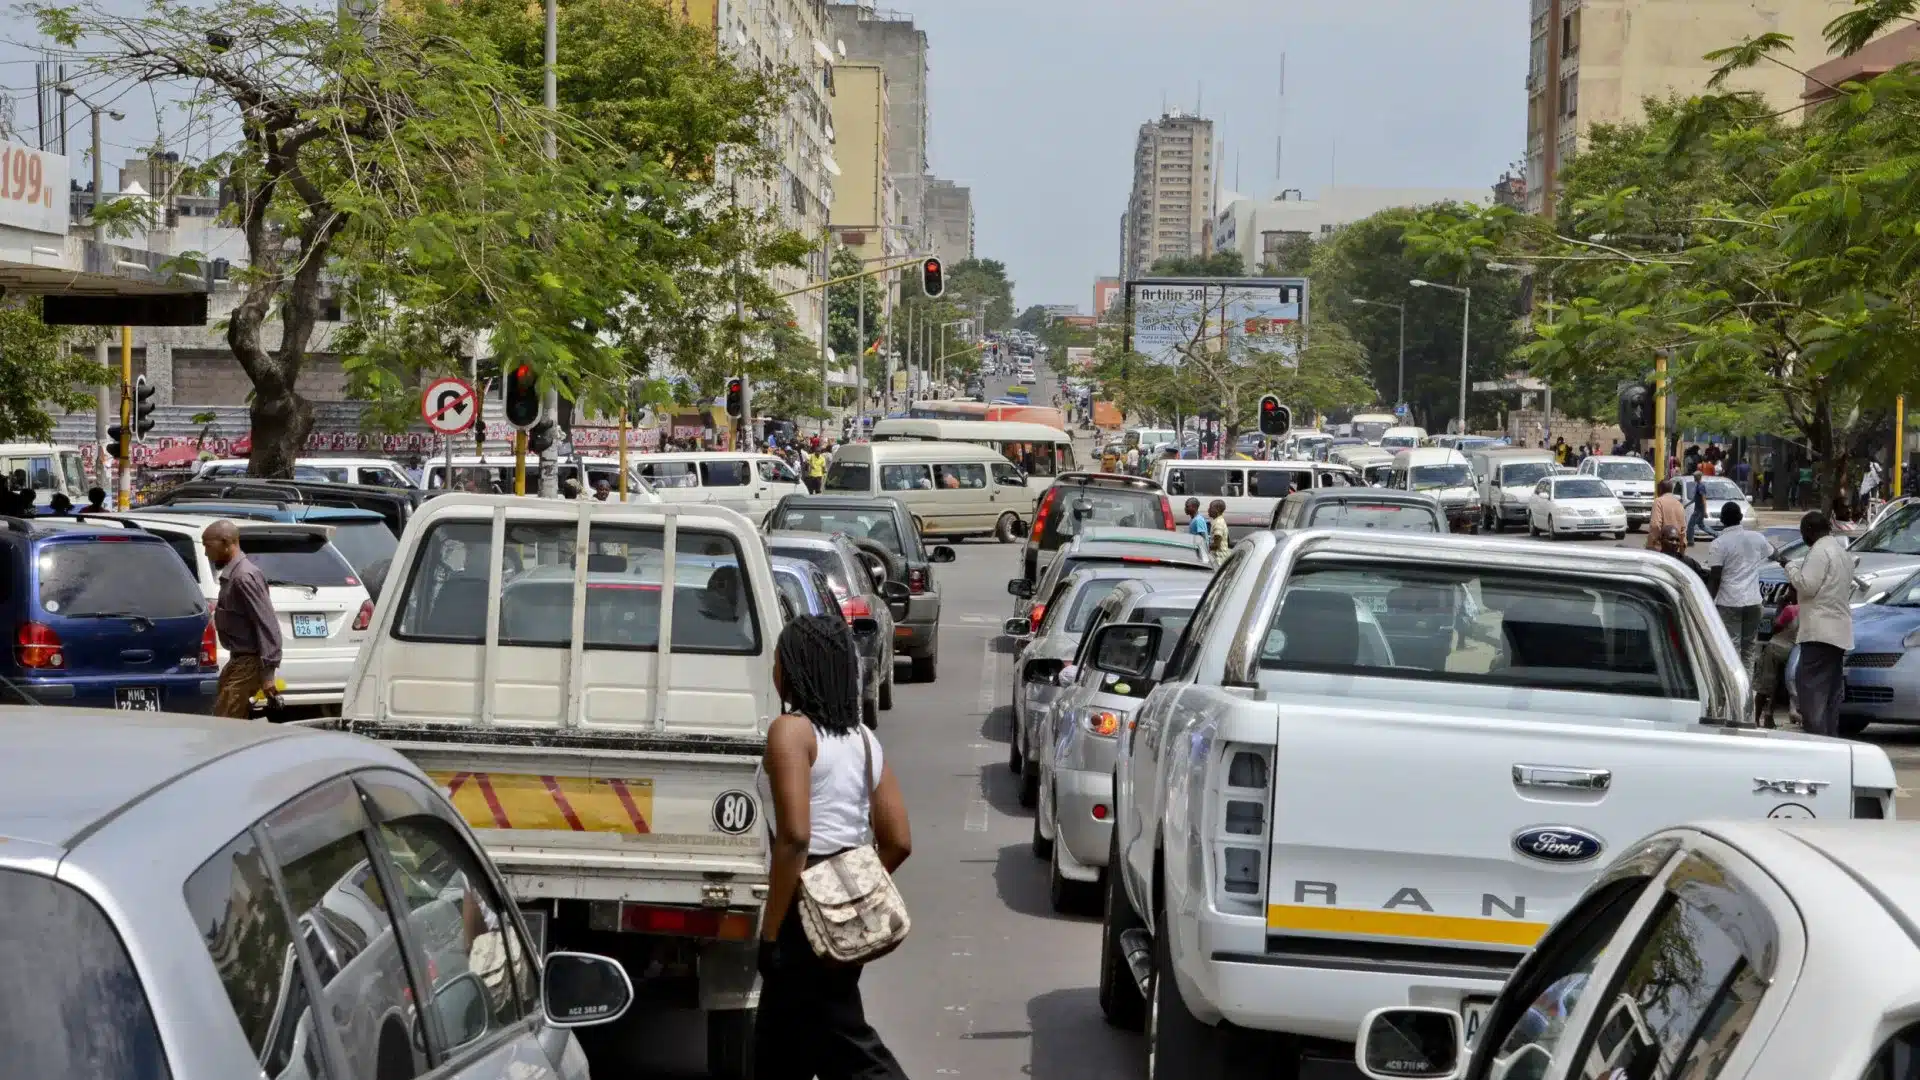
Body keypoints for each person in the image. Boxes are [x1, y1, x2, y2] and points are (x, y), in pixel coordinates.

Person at [756, 616, 911, 1079]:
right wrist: (852, 893)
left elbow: (795, 838)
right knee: (788, 1047)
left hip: (801, 908)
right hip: (840, 909)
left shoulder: (790, 732)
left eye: (780, 657)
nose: (775, 667)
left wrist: (771, 932)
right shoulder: (863, 740)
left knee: (844, 1045)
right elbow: (899, 841)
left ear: (796, 668)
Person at [202, 520, 282, 720]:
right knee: (228, 716)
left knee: (226, 723)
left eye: (208, 546)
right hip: (238, 660)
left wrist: (268, 675)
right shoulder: (234, 575)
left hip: (250, 662)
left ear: (227, 542)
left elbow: (266, 623)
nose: (206, 554)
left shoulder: (244, 577)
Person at [1784, 511, 1854, 737]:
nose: (1804, 538)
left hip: (1819, 633)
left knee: (1812, 692)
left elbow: (1806, 585)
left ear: (1811, 532)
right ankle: (1830, 741)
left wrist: (1790, 567)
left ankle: (1817, 743)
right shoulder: (1841, 553)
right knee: (1831, 695)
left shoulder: (1819, 551)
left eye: (1804, 533)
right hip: (1839, 633)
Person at [1702, 503, 1772, 680]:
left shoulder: (1719, 544)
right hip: (1754, 602)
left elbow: (1715, 577)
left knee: (1731, 650)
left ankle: (1733, 692)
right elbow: (1774, 554)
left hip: (1729, 603)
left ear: (1722, 520)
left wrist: (1707, 603)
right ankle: (1746, 691)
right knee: (1748, 650)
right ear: (1741, 518)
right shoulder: (1756, 538)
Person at [1756, 590, 1798, 728]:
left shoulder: (1790, 610)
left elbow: (1774, 627)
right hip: (1792, 652)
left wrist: (1780, 606)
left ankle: (1756, 717)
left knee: (1765, 685)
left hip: (1776, 648)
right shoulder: (1810, 609)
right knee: (1777, 686)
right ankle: (1769, 716)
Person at [1647, 479, 1687, 550]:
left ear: (1660, 490)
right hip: (1675, 549)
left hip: (1661, 548)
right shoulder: (1679, 504)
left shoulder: (1658, 502)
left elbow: (1655, 525)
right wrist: (1682, 552)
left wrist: (1652, 544)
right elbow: (1683, 530)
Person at [1686, 474, 1712, 544]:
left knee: (1690, 525)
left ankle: (1690, 541)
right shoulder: (1697, 485)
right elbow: (1695, 499)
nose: (1694, 478)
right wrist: (1686, 505)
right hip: (1698, 509)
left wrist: (1705, 511)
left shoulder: (1701, 486)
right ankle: (1716, 534)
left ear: (1698, 477)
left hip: (1699, 510)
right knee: (1702, 526)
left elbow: (1703, 499)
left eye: (1695, 477)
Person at [1207, 499, 1230, 564]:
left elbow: (1216, 545)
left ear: (1217, 509)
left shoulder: (1218, 523)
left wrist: (1204, 547)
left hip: (1218, 559)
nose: (1208, 510)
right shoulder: (1218, 520)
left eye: (1210, 508)